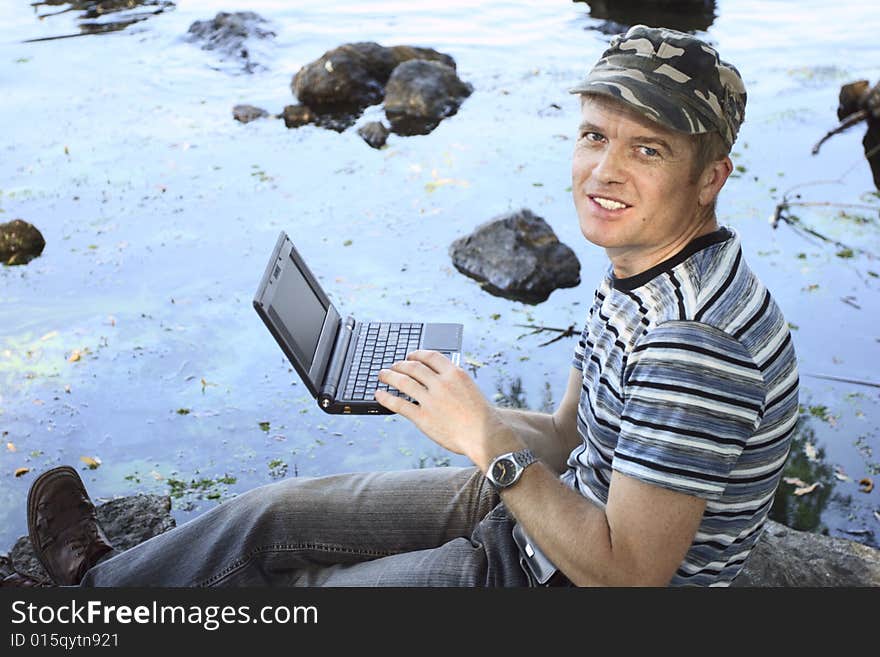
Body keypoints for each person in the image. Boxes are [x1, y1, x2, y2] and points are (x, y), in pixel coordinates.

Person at [5, 24, 798, 588]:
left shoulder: (694, 345)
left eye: (647, 148)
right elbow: (564, 437)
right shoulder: (643, 266)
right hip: (543, 511)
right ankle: (105, 587)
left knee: (297, 592)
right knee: (272, 513)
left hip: (554, 577)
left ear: (711, 177)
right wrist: (435, 399)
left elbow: (627, 576)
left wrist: (486, 440)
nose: (604, 171)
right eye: (595, 135)